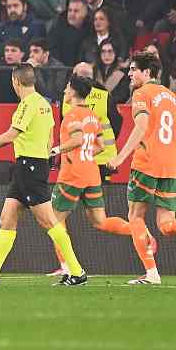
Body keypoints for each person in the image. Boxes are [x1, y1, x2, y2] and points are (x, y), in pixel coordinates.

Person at [0, 64, 88, 287]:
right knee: (7, 217)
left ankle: (77, 272)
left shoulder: (27, 104)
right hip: (31, 165)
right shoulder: (45, 104)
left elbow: (11, 134)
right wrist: (46, 157)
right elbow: (50, 135)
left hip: (29, 166)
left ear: (16, 82)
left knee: (48, 221)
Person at [107, 51, 176, 285]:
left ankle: (152, 273)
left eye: (133, 69)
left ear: (146, 72)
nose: (129, 74)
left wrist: (119, 158)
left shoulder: (141, 94)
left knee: (135, 216)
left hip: (146, 163)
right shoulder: (171, 96)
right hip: (170, 166)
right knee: (165, 224)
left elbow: (140, 127)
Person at [46, 75, 134, 274]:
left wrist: (56, 151)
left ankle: (67, 267)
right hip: (91, 173)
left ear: (75, 92)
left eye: (67, 88)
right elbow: (101, 146)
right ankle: (138, 231)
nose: (64, 92)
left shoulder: (72, 114)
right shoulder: (93, 116)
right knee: (100, 221)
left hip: (72, 174)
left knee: (54, 220)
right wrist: (85, 155)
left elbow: (77, 140)